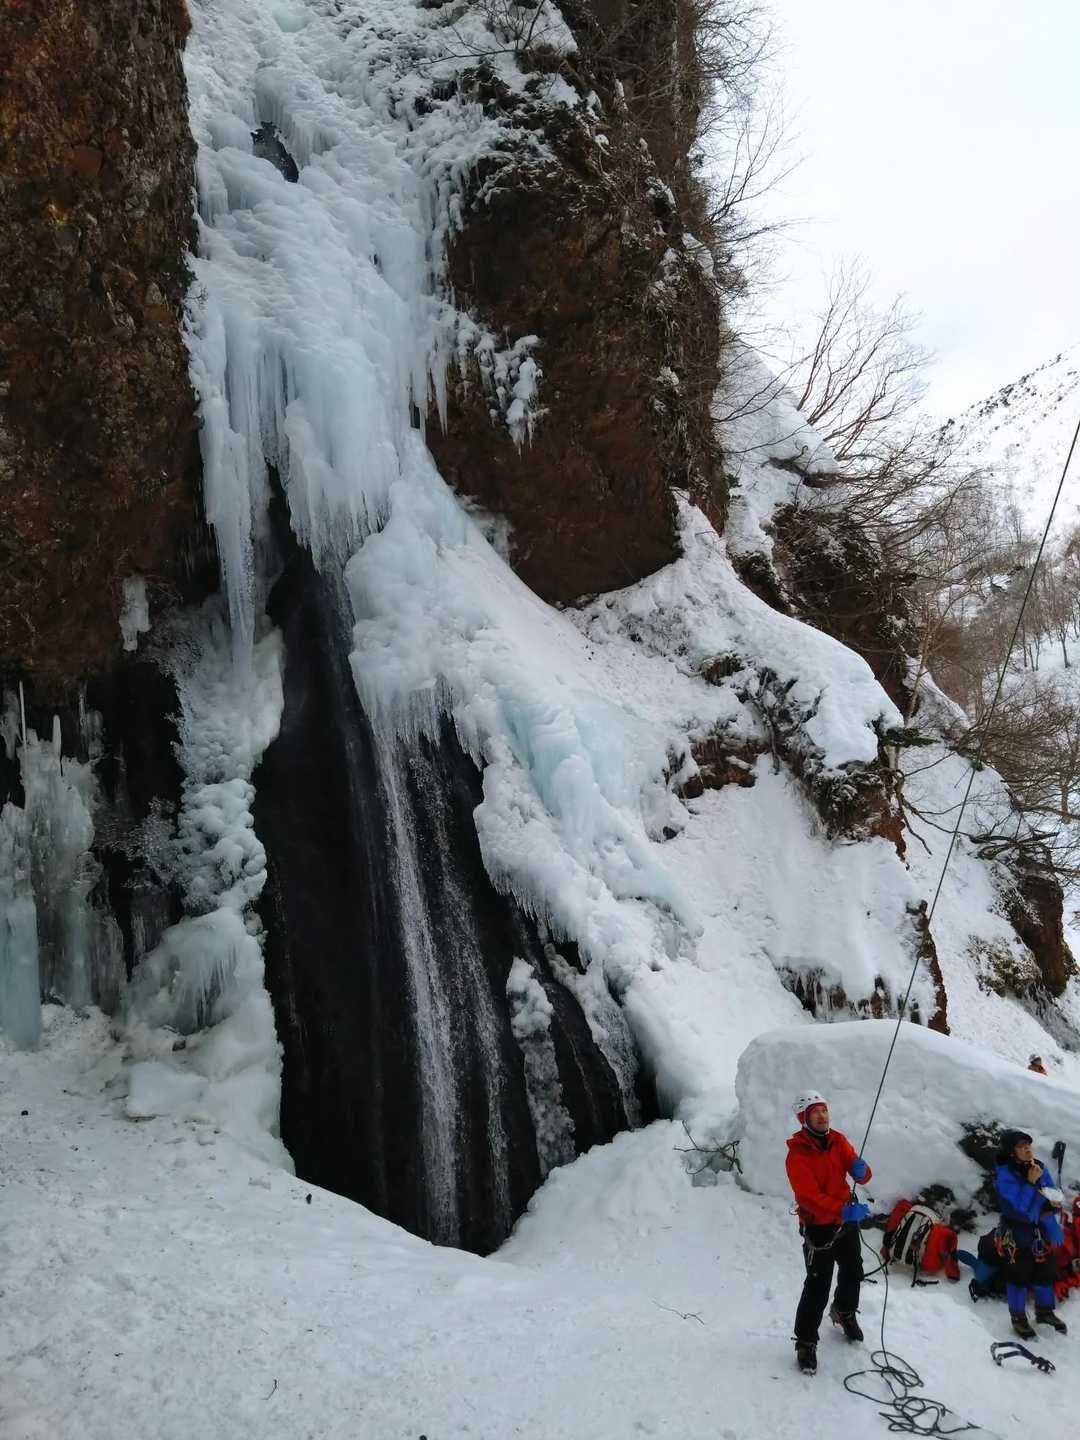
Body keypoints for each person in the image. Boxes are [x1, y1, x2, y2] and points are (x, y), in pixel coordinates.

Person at [785, 1090, 872, 1374]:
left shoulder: (838, 1140)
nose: (822, 1116)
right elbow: (809, 1196)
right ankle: (805, 1341)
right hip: (818, 1227)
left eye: (824, 1110)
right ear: (804, 1118)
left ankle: (844, 1310)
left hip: (845, 1221)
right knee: (817, 1285)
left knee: (853, 1270)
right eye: (815, 1112)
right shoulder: (797, 1154)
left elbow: (860, 1173)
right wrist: (842, 1210)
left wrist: (861, 1170)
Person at [994, 1129, 1067, 1337]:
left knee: (1045, 1271)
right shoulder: (1005, 1175)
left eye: (1028, 1144)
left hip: (1040, 1228)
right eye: (1021, 1146)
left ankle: (1045, 1312)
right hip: (1017, 1231)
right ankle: (1018, 1317)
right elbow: (1019, 1206)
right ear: (1011, 1151)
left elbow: (1050, 1192)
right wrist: (1030, 1182)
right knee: (1019, 1274)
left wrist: (1053, 1205)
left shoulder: (1038, 1167)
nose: (1027, 1149)